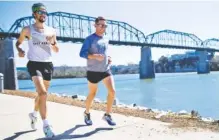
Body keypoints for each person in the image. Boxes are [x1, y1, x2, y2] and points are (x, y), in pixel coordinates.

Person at [15, 3, 59, 138]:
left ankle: (34, 114)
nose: (43, 14)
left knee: (41, 95)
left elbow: (56, 50)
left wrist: (52, 43)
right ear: (34, 14)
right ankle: (46, 125)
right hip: (34, 64)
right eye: (40, 12)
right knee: (43, 93)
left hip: (48, 65)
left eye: (45, 12)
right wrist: (19, 50)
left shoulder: (51, 30)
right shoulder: (27, 30)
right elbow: (18, 42)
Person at [79, 16, 116, 126]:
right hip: (93, 71)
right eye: (101, 25)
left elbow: (105, 51)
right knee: (92, 94)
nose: (103, 27)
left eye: (105, 25)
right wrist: (94, 56)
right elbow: (82, 53)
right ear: (95, 26)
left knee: (112, 91)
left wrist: (108, 57)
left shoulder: (106, 38)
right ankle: (86, 113)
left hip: (105, 70)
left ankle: (107, 115)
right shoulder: (89, 39)